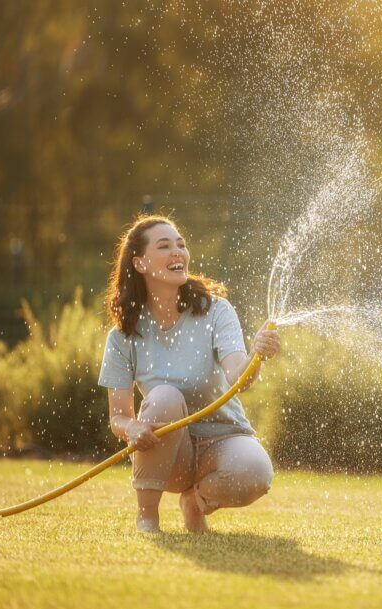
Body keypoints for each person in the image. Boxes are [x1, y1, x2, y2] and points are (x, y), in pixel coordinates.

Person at [98, 215, 280, 533]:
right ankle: (147, 517)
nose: (178, 253)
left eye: (181, 245)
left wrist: (256, 356)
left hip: (223, 439)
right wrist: (133, 428)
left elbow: (240, 377)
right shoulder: (122, 336)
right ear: (139, 263)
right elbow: (118, 418)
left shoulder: (216, 311)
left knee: (256, 472)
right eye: (165, 246)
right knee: (164, 397)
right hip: (169, 457)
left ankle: (194, 503)